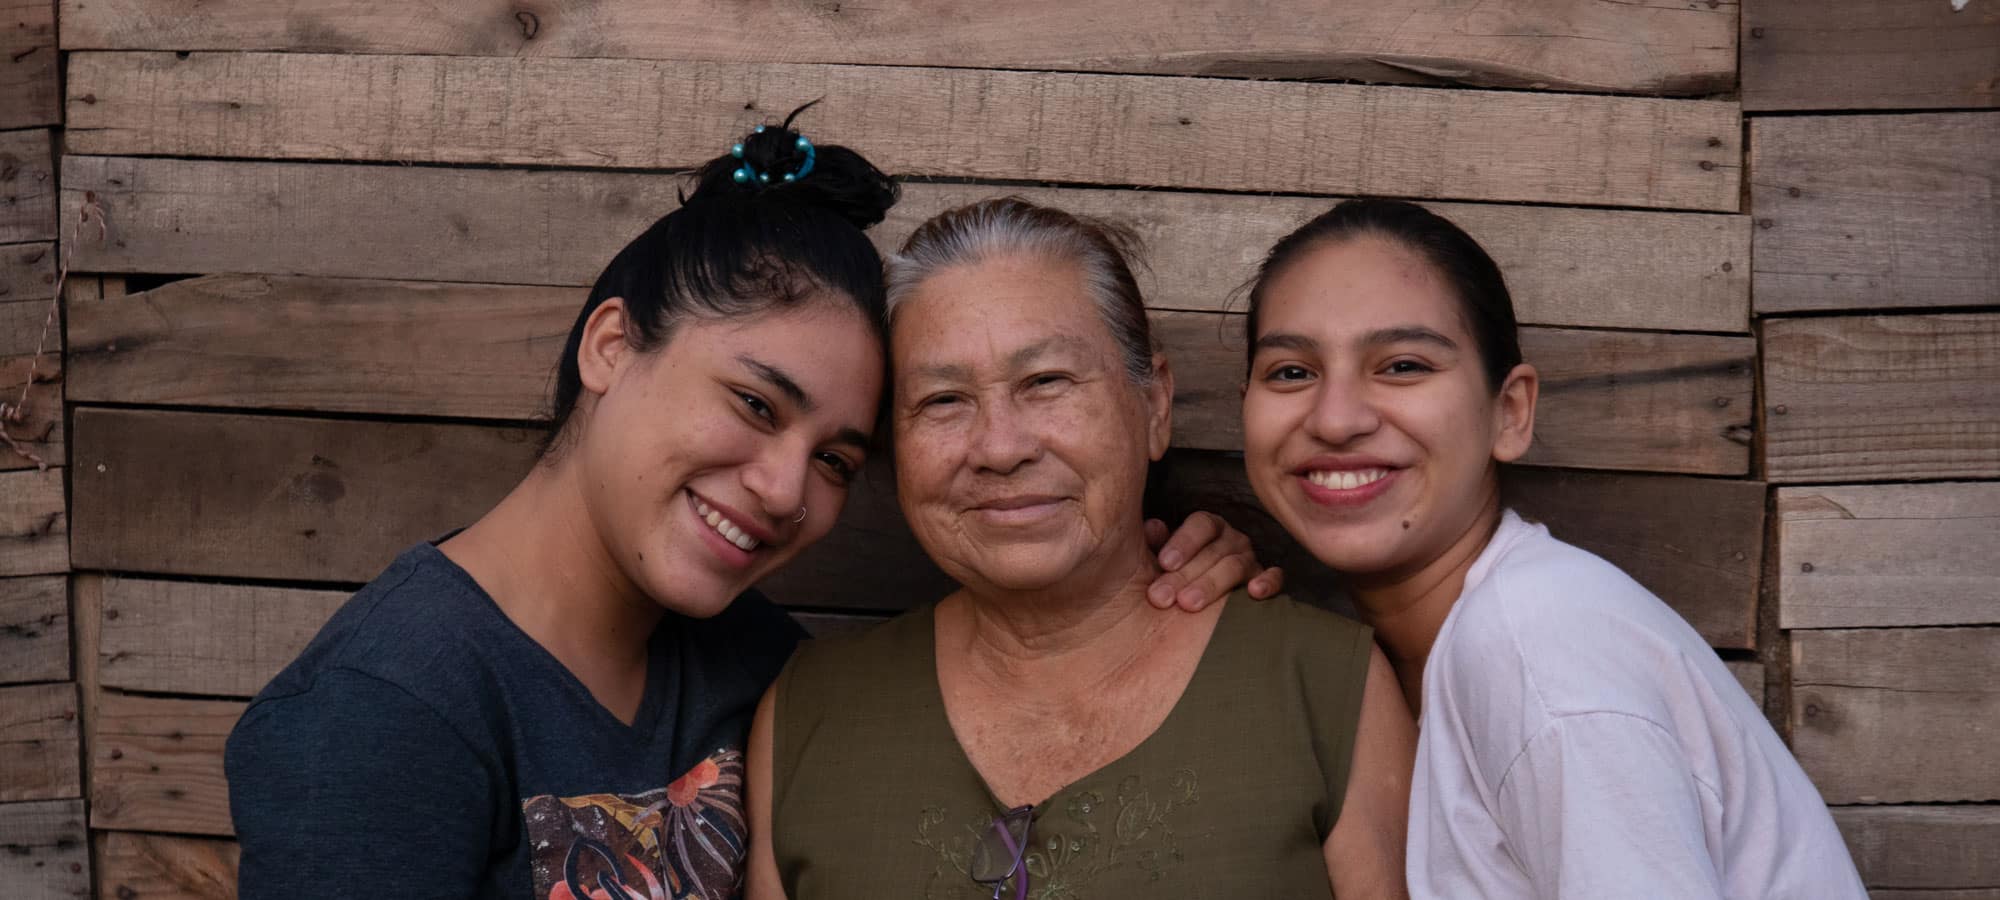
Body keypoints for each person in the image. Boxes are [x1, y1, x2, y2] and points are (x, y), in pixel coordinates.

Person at [225, 117, 1272, 900]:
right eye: (754, 402)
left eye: (834, 458)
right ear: (610, 348)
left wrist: (1149, 575)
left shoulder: (758, 669)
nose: (783, 489)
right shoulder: (381, 711)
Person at [746, 198, 1416, 900]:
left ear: (1155, 405)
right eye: (943, 400)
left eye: (1046, 382)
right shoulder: (807, 716)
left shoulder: (1319, 686)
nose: (999, 448)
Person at [1237, 198, 1867, 899]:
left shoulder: (1536, 643)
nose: (1335, 418)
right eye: (1291, 371)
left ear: (1510, 412)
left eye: (1403, 365)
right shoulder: (1420, 649)